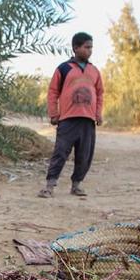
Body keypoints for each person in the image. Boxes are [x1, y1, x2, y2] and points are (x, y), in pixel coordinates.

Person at [37, 32, 104, 198]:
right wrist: (54, 113)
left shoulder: (94, 70)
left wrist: (98, 113)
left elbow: (100, 93)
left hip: (88, 120)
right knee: (60, 152)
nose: (90, 51)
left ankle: (77, 185)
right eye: (86, 47)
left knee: (85, 154)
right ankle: (50, 186)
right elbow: (53, 92)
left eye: (91, 47)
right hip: (68, 119)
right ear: (76, 48)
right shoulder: (64, 69)